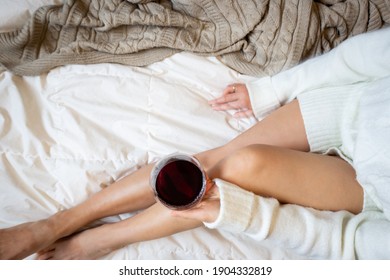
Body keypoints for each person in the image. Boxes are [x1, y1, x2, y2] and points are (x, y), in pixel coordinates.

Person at [1, 27, 389, 260]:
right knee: (205, 164)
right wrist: (271, 90)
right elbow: (356, 60)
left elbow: (348, 245)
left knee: (232, 173)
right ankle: (54, 224)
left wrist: (244, 214)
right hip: (354, 110)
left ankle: (100, 239)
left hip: (369, 194)